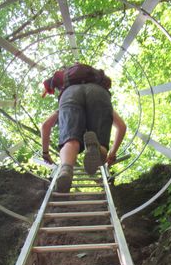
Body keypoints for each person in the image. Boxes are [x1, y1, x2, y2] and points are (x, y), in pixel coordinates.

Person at [40, 65, 127, 193]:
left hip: (70, 94)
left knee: (71, 140)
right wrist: (112, 154)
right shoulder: (96, 83)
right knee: (101, 140)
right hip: (99, 93)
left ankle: (65, 170)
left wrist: (45, 153)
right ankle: (98, 148)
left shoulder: (67, 86)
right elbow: (122, 127)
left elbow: (45, 125)